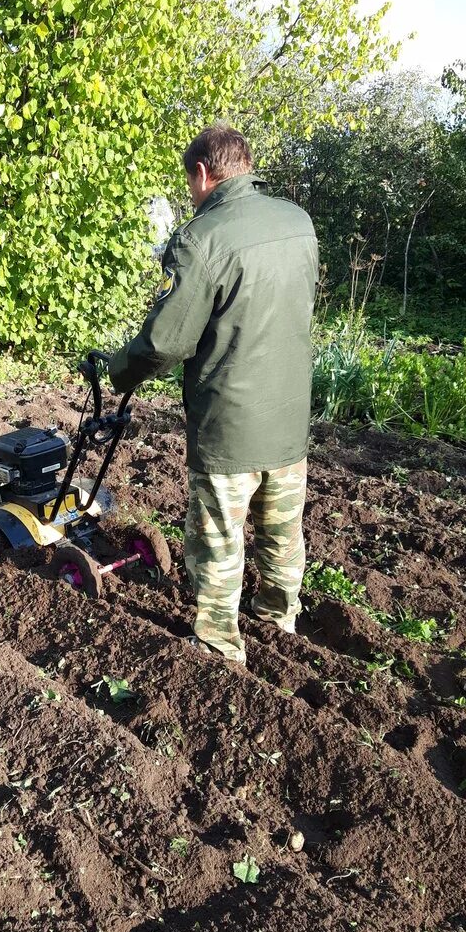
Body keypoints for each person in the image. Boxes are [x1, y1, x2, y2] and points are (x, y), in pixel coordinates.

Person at [108, 124, 318, 665]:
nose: (191, 194)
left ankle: (221, 653)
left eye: (190, 183)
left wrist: (117, 372)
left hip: (230, 425)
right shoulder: (297, 223)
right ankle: (280, 626)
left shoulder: (201, 238)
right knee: (281, 536)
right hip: (291, 418)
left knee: (220, 548)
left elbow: (164, 343)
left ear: (203, 173)